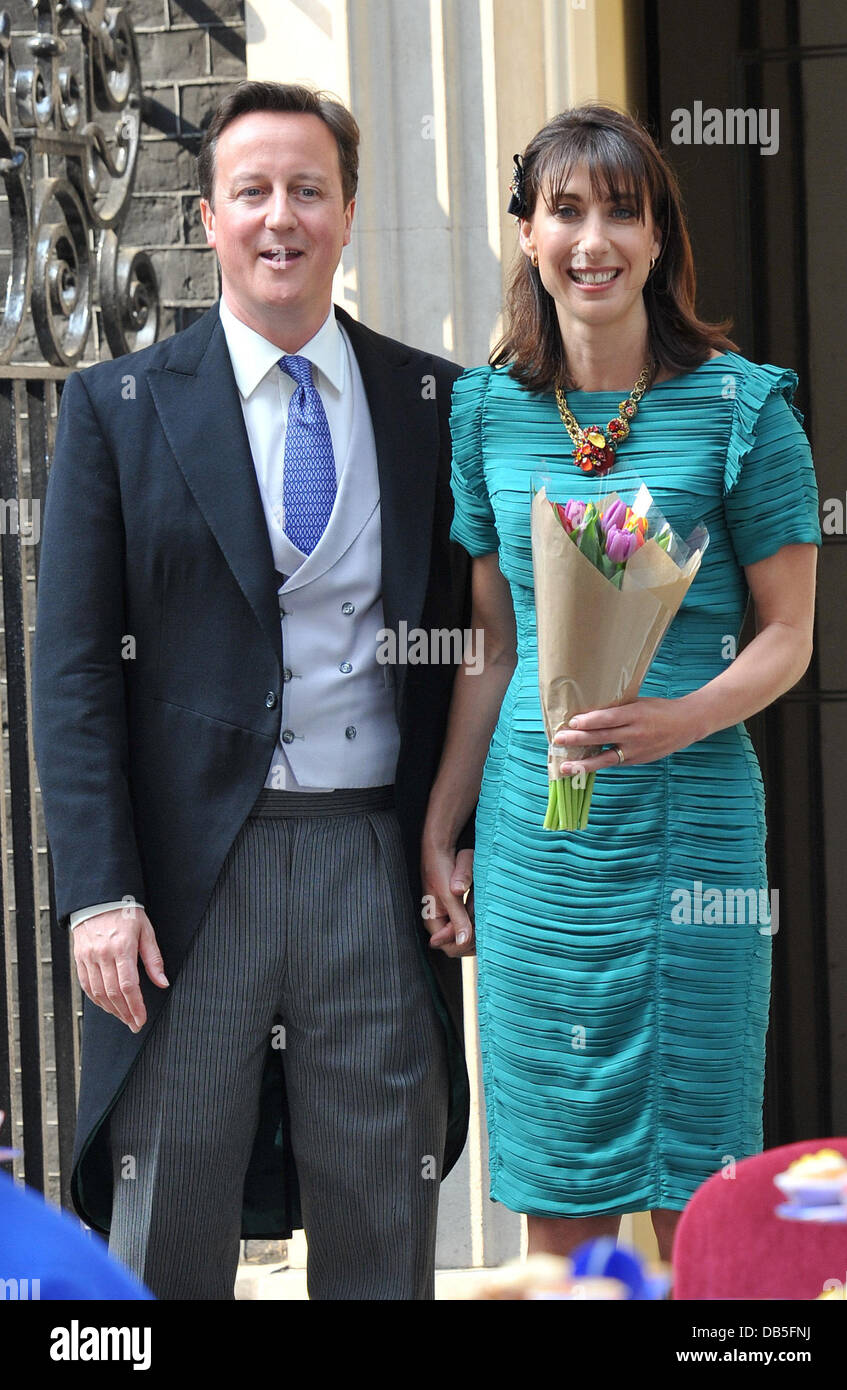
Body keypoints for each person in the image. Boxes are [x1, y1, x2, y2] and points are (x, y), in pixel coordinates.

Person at [32, 80, 473, 1301]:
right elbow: (71, 676)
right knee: (166, 1217)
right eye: (253, 192)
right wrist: (100, 894)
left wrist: (460, 836)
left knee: (385, 1217)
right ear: (213, 217)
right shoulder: (115, 411)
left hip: (369, 861)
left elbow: (478, 637)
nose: (282, 216)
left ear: (346, 210)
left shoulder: (434, 403)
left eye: (309, 190)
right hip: (185, 888)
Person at [421, 103, 820, 1263]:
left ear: (658, 240)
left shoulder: (744, 408)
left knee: (702, 1182)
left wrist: (677, 721)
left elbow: (790, 634)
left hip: (692, 827)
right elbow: (493, 648)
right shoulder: (488, 411)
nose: (593, 240)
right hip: (538, 841)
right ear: (532, 236)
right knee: (562, 1168)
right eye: (567, 211)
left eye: (622, 213)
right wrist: (442, 831)